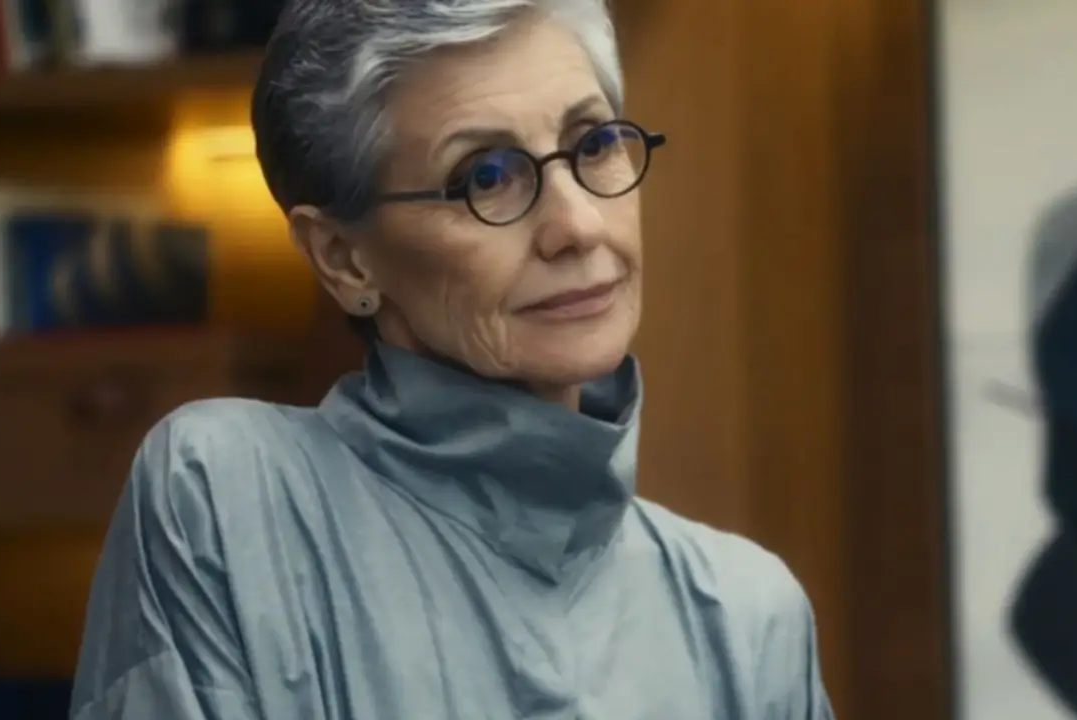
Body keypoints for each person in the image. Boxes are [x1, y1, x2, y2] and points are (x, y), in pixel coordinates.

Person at [68, 1, 833, 718]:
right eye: (486, 176)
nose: (577, 225)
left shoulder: (746, 623)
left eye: (594, 144)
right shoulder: (228, 495)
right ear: (344, 258)